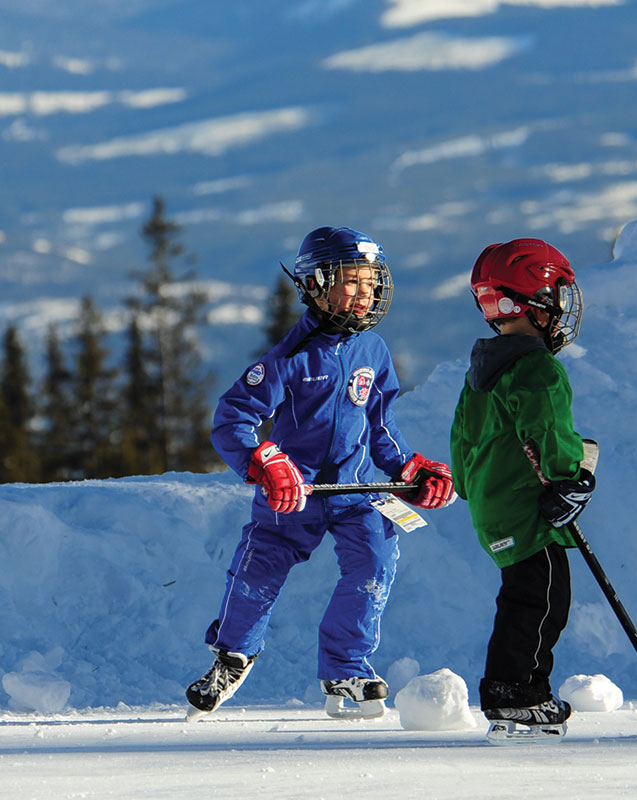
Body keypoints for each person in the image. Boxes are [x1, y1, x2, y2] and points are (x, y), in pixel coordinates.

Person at [186, 226, 454, 720]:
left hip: (355, 491)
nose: (367, 291)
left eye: (371, 280)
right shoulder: (290, 358)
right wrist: (265, 461)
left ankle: (346, 669)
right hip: (293, 493)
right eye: (353, 281)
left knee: (374, 562)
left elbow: (382, 428)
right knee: (257, 571)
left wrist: (411, 468)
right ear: (316, 283)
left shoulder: (373, 352)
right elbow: (232, 419)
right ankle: (232, 655)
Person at [448, 237, 593, 736]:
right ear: (537, 302)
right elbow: (549, 432)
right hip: (531, 512)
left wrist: (472, 488)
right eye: (556, 298)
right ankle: (516, 692)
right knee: (543, 600)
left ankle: (519, 689)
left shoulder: (481, 370)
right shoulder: (538, 369)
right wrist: (570, 479)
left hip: (493, 510)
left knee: (524, 596)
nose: (560, 310)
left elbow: (462, 441)